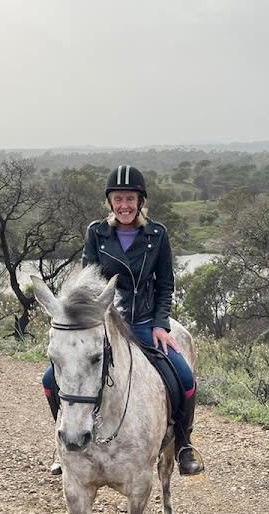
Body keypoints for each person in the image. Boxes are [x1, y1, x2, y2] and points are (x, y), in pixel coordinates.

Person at [42, 165, 205, 476]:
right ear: (110, 202)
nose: (125, 205)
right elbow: (87, 286)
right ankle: (64, 443)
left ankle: (183, 445)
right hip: (107, 323)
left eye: (130, 198)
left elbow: (166, 284)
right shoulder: (96, 233)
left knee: (184, 378)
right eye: (118, 199)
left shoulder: (157, 236)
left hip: (144, 321)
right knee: (50, 381)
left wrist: (160, 324)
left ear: (140, 201)